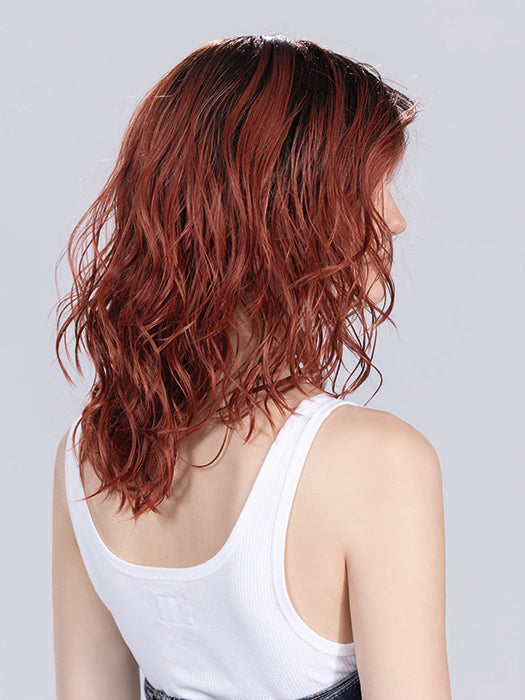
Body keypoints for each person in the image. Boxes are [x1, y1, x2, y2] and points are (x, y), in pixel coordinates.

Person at [52, 34, 451, 700]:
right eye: (369, 186)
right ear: (279, 209)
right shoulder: (377, 461)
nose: (395, 219)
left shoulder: (89, 456)